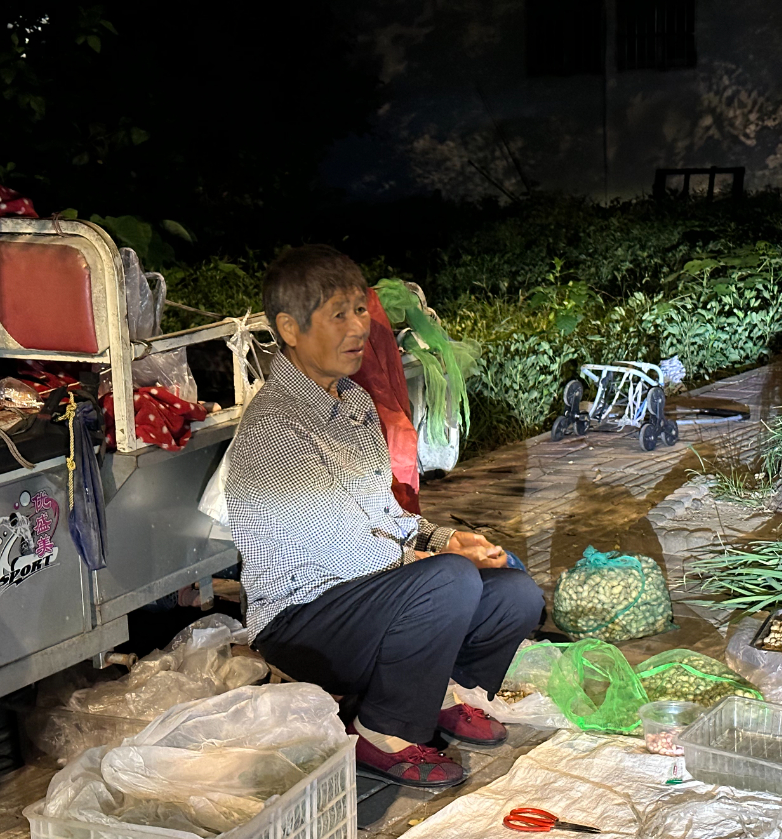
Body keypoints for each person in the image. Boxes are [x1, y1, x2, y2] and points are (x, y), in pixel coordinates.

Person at [225, 245, 545, 787]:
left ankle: (440, 693)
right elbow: (342, 550)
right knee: (450, 581)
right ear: (290, 328)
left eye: (360, 310)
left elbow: (385, 515)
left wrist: (447, 537)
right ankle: (381, 730)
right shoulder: (275, 427)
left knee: (515, 591)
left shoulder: (351, 400)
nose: (360, 328)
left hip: (367, 599)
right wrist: (436, 559)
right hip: (302, 622)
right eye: (339, 314)